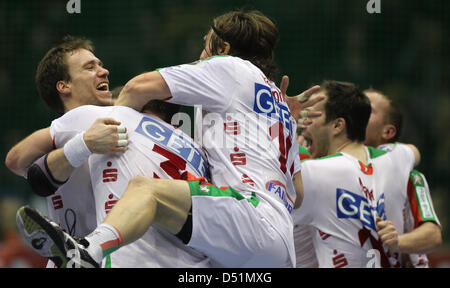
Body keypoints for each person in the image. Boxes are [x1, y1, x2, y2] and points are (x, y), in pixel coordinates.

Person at [16, 10, 319, 268]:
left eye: (205, 46)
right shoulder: (272, 108)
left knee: (146, 191)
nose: (201, 56)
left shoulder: (229, 68)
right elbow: (299, 194)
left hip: (248, 215)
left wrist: (123, 120)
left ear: (223, 48)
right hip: (276, 247)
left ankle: (87, 251)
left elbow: (137, 87)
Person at [17, 98, 212, 268]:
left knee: (142, 190)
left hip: (131, 256)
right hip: (192, 261)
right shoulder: (198, 151)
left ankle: (86, 250)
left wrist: (83, 145)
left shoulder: (112, 115)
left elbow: (19, 162)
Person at [5, 36, 122, 268]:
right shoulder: (71, 124)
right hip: (95, 258)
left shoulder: (112, 115)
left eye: (100, 64)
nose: (104, 71)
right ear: (64, 86)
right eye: (90, 67)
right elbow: (14, 160)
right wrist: (84, 143)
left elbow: (15, 162)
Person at [292, 80, 421, 267]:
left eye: (313, 116)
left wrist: (285, 134)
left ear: (338, 125)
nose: (304, 125)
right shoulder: (396, 159)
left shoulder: (314, 172)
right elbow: (414, 152)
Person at [363, 88, 442, 267]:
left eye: (368, 109)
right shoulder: (335, 167)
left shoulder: (411, 177)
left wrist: (397, 241)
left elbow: (433, 235)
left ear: (388, 132)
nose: (357, 110)